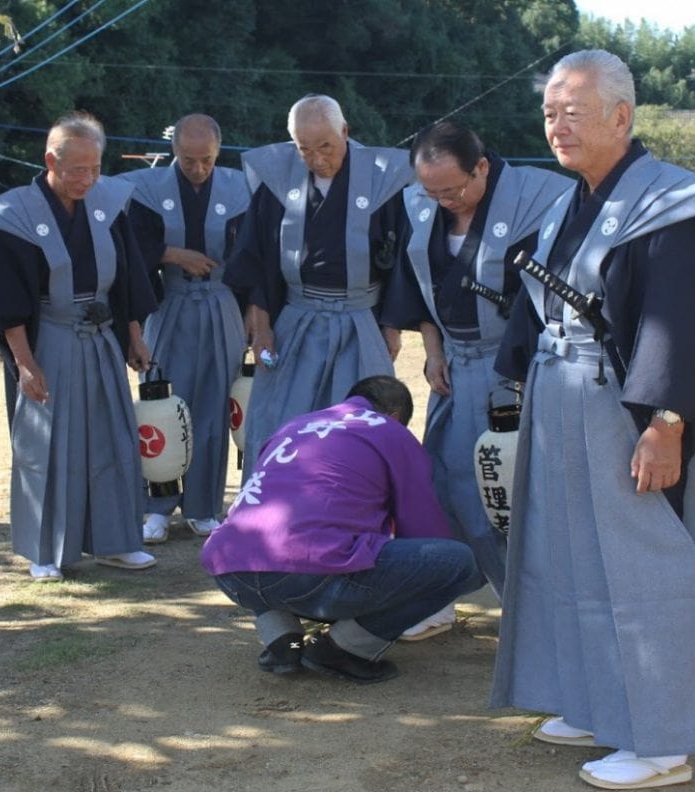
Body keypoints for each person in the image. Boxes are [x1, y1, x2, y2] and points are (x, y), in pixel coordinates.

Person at [489, 50, 695, 790]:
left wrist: (668, 422)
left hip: (627, 413)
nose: (557, 125)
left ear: (621, 117)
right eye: (549, 111)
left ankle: (662, 741)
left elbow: (680, 321)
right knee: (570, 561)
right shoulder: (577, 199)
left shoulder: (663, 204)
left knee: (644, 568)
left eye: (574, 111)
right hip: (561, 400)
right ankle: (601, 703)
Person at [391, 121, 571, 637]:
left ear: (483, 167)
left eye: (454, 189)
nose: (443, 200)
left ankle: (530, 606)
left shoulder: (538, 202)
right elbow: (414, 287)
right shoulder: (419, 208)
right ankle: (437, 596)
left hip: (513, 367)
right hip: (453, 364)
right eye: (432, 191)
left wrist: (512, 373)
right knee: (439, 483)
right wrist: (432, 351)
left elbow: (544, 302)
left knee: (499, 490)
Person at [201, 375, 479, 684]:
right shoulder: (389, 431)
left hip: (230, 569)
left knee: (263, 545)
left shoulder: (293, 427)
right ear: (396, 416)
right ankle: (344, 649)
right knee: (457, 563)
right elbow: (424, 530)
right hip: (310, 574)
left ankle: (282, 638)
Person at [0, 111, 159, 582]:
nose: (88, 179)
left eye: (95, 168)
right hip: (50, 337)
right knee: (47, 444)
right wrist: (24, 362)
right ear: (50, 161)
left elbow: (128, 276)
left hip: (102, 334)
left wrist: (135, 335)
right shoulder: (16, 214)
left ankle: (117, 540)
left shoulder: (109, 203)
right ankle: (45, 550)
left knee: (112, 438)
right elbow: (9, 300)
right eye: (77, 169)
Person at [223, 94, 413, 479]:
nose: (316, 158)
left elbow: (404, 258)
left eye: (326, 145)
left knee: (361, 428)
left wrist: (390, 326)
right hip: (296, 318)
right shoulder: (277, 181)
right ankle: (274, 522)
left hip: (360, 319)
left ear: (345, 131)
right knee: (281, 424)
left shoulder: (383, 181)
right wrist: (261, 327)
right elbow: (255, 257)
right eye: (304, 149)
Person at [117, 113, 252, 543]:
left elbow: (254, 253)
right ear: (174, 150)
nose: (198, 169)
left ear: (218, 151)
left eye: (206, 160)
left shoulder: (240, 188)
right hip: (168, 303)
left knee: (216, 407)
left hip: (221, 302)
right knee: (160, 402)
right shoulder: (146, 189)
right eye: (189, 159)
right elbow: (130, 247)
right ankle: (155, 506)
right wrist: (172, 254)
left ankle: (205, 506)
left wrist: (253, 311)